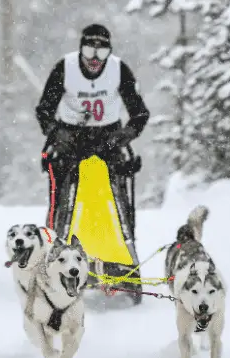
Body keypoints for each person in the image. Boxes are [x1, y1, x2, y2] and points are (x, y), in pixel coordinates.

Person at [36, 24, 150, 236]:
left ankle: (122, 243)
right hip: (70, 137)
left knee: (117, 190)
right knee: (61, 190)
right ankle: (54, 239)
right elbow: (44, 110)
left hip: (108, 139)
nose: (95, 59)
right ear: (81, 49)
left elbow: (140, 114)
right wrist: (55, 133)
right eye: (89, 51)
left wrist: (124, 135)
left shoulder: (119, 70)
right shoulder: (65, 68)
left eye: (102, 51)